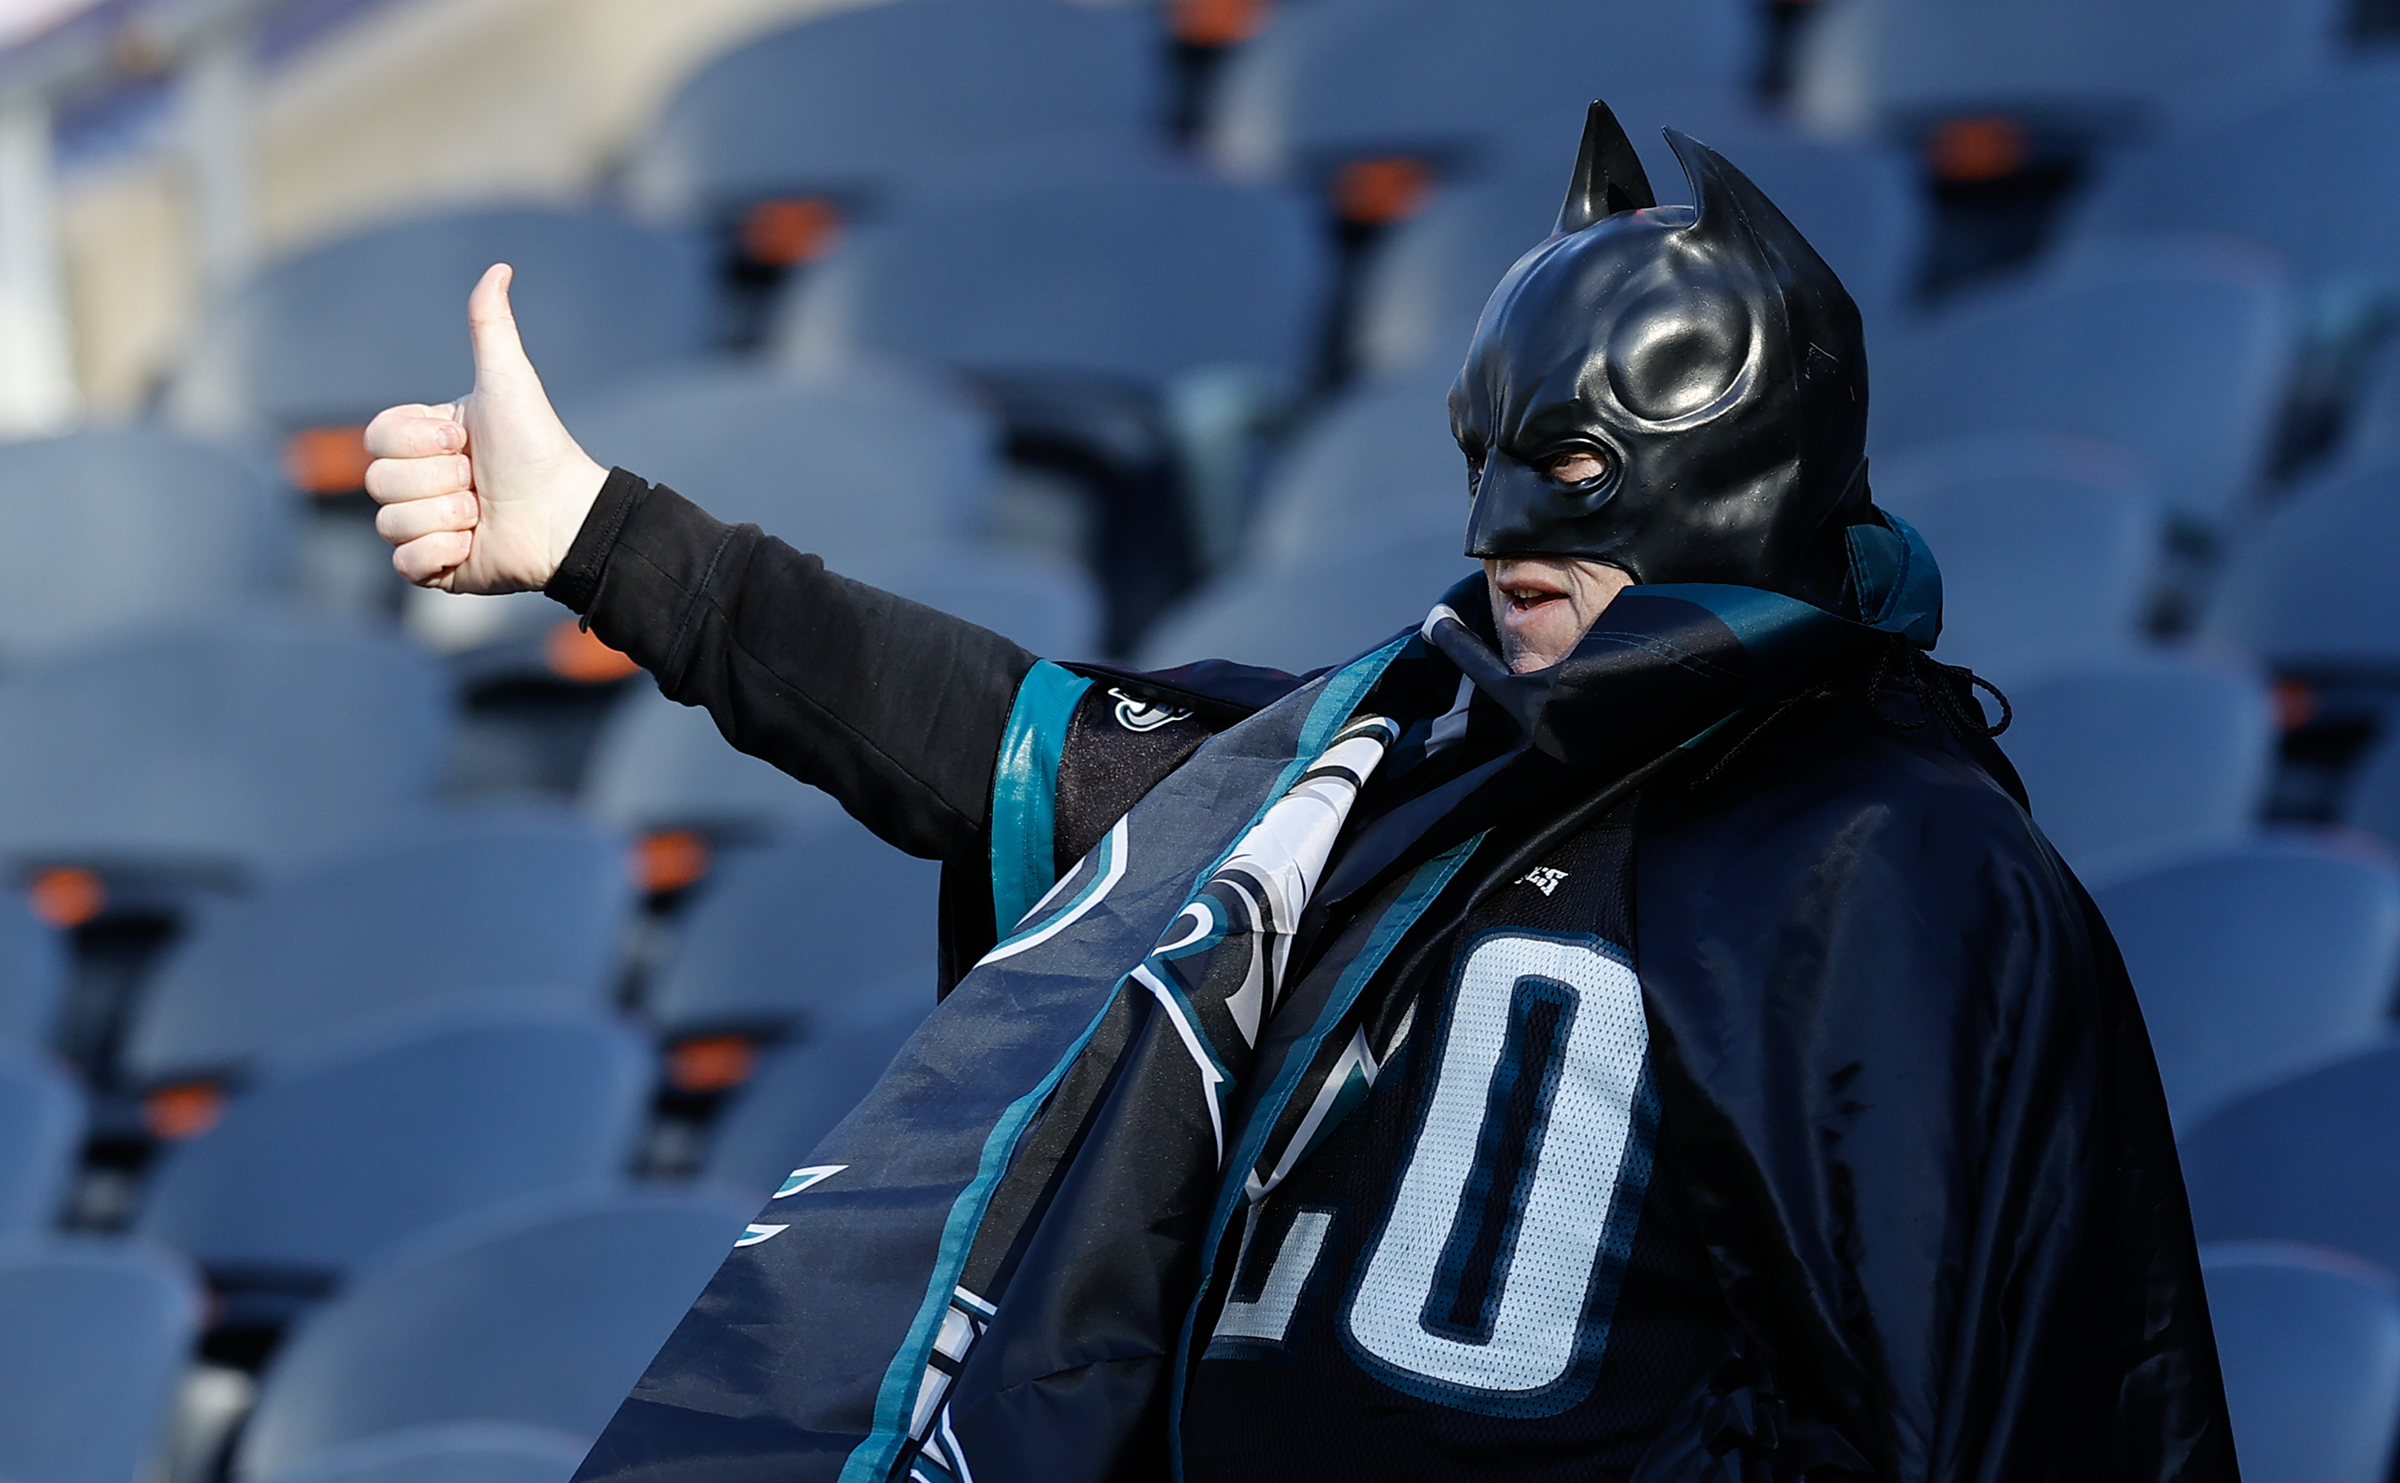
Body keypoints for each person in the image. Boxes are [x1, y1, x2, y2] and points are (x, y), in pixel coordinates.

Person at [367, 104, 2235, 1483]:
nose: (1507, 533)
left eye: (1575, 463)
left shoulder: (1894, 862)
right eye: (1485, 461)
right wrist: (610, 543)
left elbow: (1987, 1401)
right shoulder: (1382, 768)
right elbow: (1001, 736)